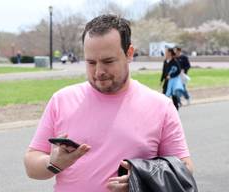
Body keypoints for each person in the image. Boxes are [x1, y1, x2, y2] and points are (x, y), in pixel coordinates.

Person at [24, 14, 193, 192]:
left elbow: (184, 168)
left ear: (129, 53)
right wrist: (53, 163)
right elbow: (31, 163)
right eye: (91, 62)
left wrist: (141, 181)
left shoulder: (161, 106)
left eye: (108, 61)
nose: (98, 71)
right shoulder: (62, 100)